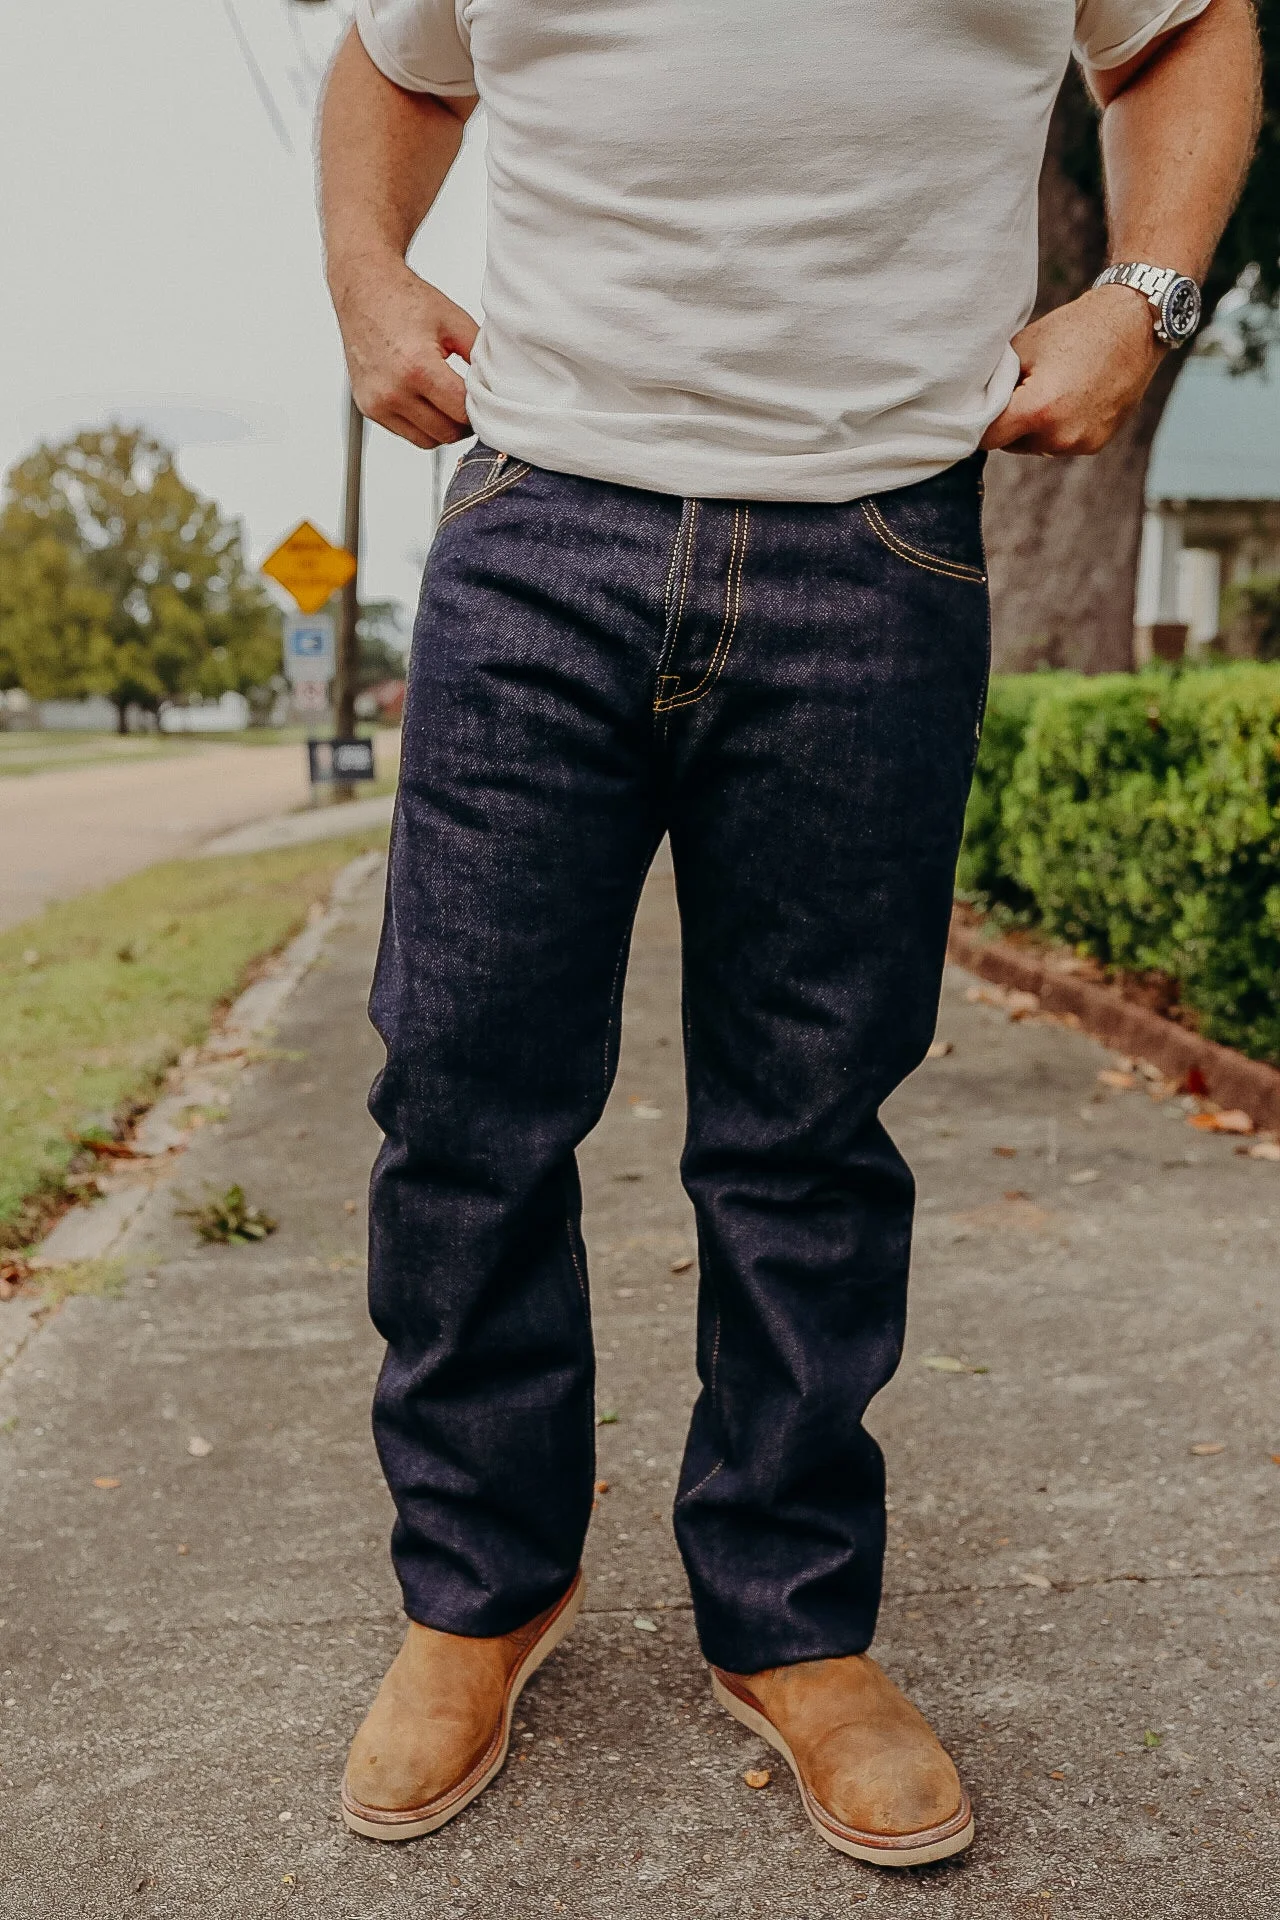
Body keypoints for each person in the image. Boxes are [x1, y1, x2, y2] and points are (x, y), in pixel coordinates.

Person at [319, 0, 1258, 1865]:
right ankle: (482, 1587)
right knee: (461, 1094)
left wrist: (1141, 294)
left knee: (807, 1132)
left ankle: (790, 1615)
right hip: (540, 513)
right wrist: (365, 270)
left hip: (877, 536)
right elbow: (397, 61)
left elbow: (1184, 26)